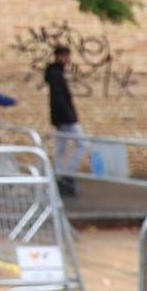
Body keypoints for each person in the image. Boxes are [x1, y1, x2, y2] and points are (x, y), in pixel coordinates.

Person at [43, 44, 90, 194]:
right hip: (66, 117)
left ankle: (60, 175)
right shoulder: (56, 74)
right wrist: (70, 116)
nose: (67, 59)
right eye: (65, 56)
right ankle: (67, 174)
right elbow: (60, 98)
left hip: (61, 116)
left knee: (61, 147)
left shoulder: (55, 73)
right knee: (82, 144)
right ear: (59, 56)